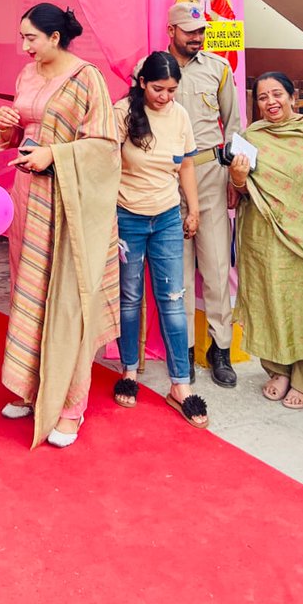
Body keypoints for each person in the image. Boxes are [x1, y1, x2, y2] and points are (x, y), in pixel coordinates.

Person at [0, 3, 120, 449]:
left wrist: (56, 155)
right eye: (22, 36)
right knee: (28, 292)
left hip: (68, 204)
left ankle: (70, 406)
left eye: (30, 37)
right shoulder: (27, 75)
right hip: (27, 198)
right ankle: (31, 388)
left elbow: (105, 145)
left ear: (54, 38)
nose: (23, 46)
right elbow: (24, 130)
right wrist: (8, 127)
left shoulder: (87, 78)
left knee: (66, 296)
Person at [112, 52, 209, 428]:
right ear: (141, 83)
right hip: (127, 217)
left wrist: (193, 209)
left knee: (172, 299)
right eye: (158, 89)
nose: (165, 96)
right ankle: (129, 371)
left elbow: (185, 164)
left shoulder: (180, 115)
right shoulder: (123, 113)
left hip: (167, 216)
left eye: (171, 90)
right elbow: (105, 164)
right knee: (130, 298)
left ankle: (180, 385)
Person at [229, 72, 303, 409]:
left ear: (293, 98)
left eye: (277, 95)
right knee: (270, 300)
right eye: (263, 98)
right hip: (264, 236)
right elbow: (243, 192)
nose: (271, 103)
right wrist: (238, 178)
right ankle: (277, 369)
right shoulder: (250, 137)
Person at [167, 1, 241, 387]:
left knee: (214, 268)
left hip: (211, 173)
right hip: (165, 180)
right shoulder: (152, 71)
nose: (197, 38)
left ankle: (220, 349)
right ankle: (183, 352)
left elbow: (234, 125)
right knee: (176, 273)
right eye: (189, 32)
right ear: (171, 32)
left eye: (201, 32)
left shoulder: (218, 68)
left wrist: (233, 177)